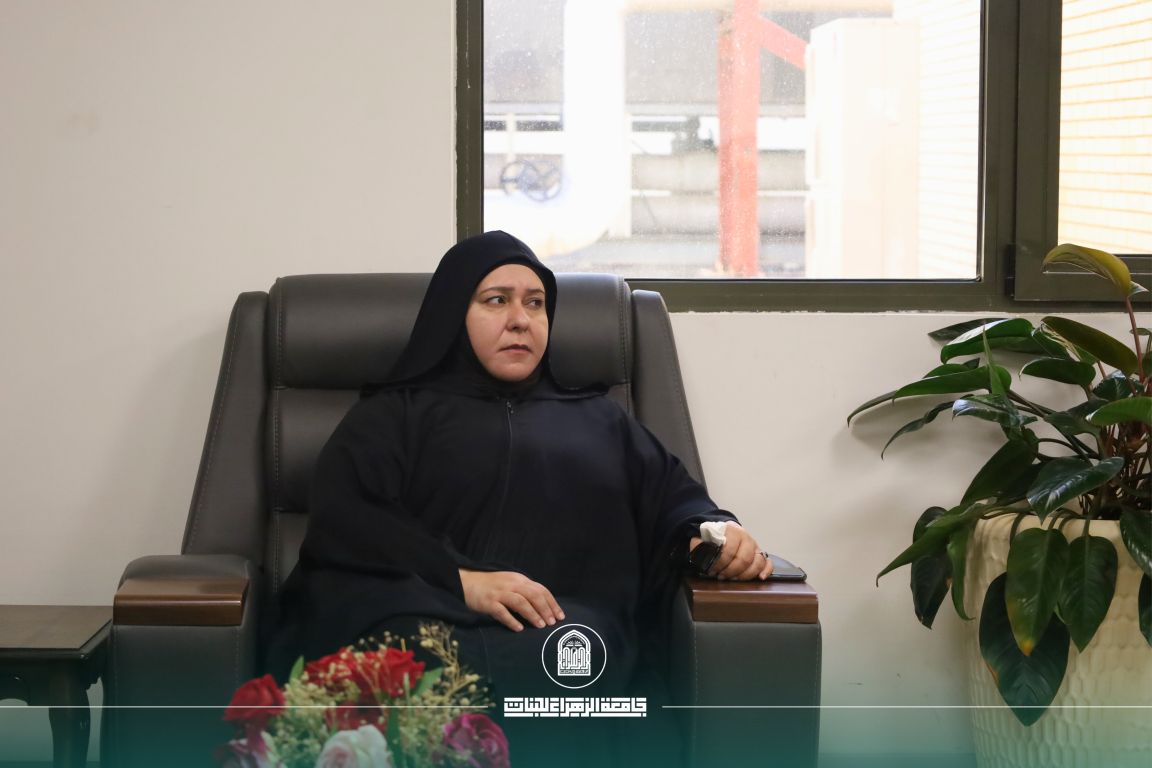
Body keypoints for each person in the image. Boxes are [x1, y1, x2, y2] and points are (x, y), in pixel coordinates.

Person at [268, 230, 772, 766]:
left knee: (576, 661)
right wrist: (462, 581)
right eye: (496, 301)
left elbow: (675, 500)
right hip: (421, 615)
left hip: (562, 632)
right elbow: (349, 519)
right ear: (453, 314)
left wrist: (714, 534)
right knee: (413, 667)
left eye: (535, 303)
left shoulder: (599, 420)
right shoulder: (394, 414)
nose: (521, 320)